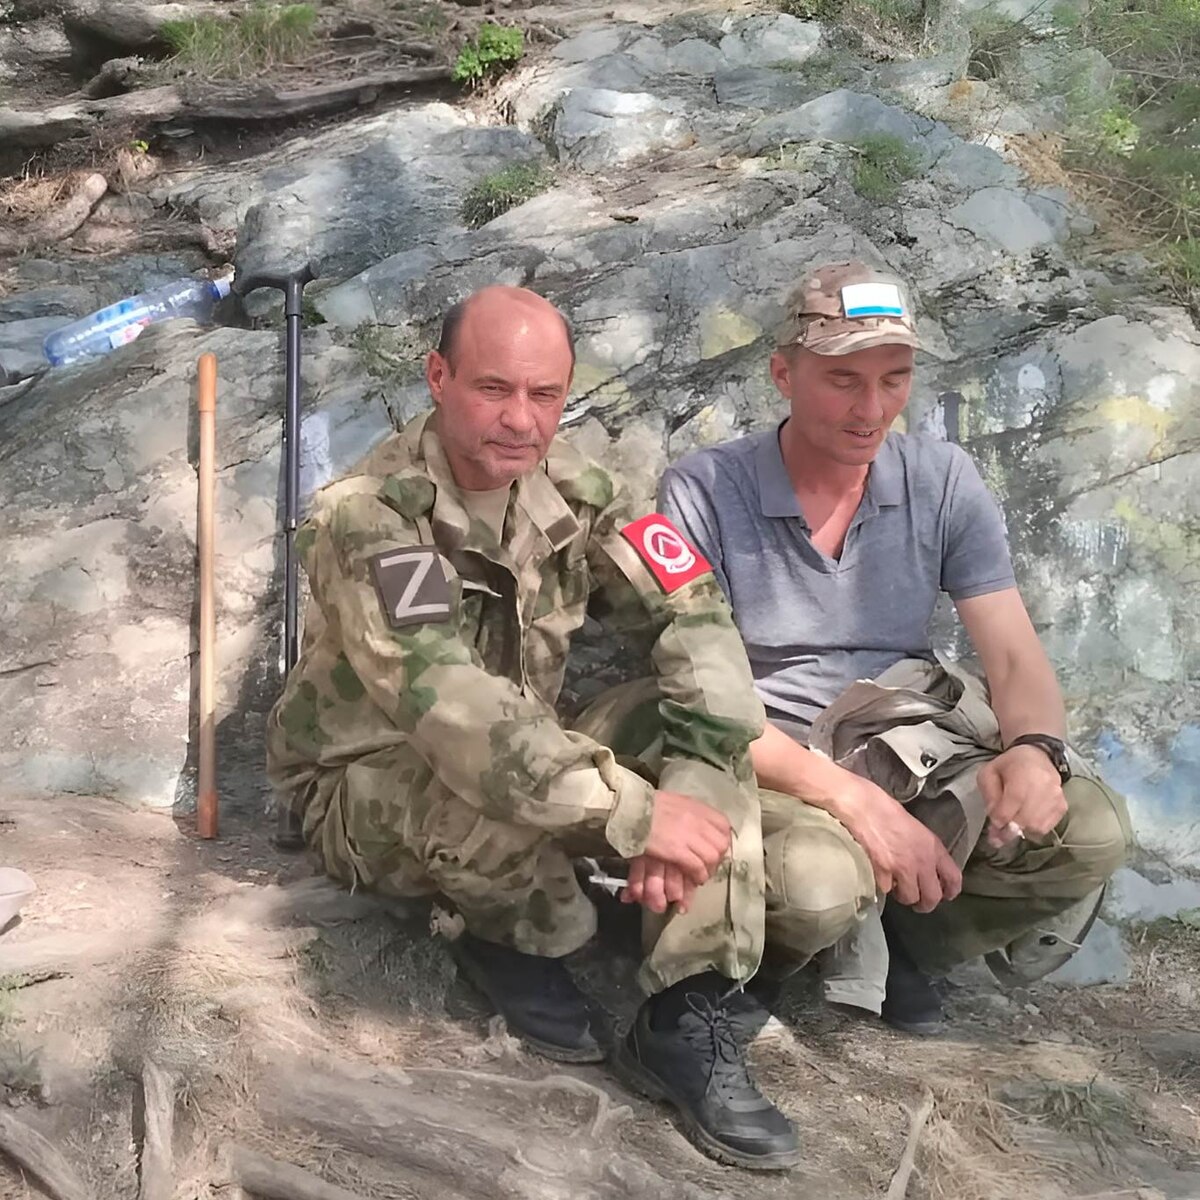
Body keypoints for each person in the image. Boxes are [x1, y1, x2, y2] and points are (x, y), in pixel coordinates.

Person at [265, 285, 878, 1170]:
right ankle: (509, 935)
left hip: (537, 753)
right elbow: (453, 709)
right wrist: (635, 813)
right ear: (439, 379)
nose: (521, 420)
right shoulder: (372, 518)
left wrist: (697, 789)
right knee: (541, 889)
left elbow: (690, 611)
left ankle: (683, 1014)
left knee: (711, 754)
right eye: (492, 389)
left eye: (544, 395)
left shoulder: (582, 487)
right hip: (374, 776)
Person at [658, 261, 1131, 1035]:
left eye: (895, 378)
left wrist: (1036, 752)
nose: (871, 408)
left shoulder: (942, 480)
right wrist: (853, 801)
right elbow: (702, 703)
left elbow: (1011, 654)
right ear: (784, 373)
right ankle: (798, 951)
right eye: (843, 380)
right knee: (814, 885)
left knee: (1087, 827)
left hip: (905, 741)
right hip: (776, 757)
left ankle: (915, 936)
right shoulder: (703, 491)